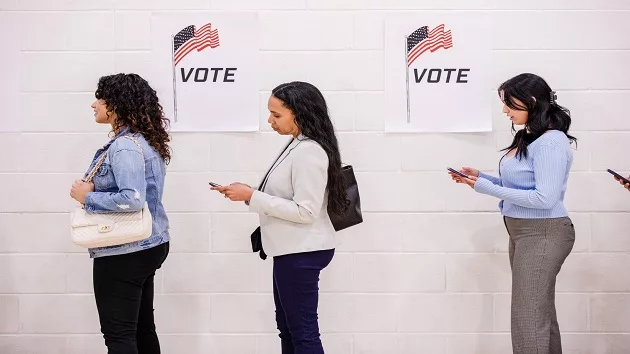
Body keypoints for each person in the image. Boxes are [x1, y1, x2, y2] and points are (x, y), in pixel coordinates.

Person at [211, 81, 347, 354]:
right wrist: (248, 192)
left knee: (303, 333)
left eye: (276, 115)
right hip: (292, 250)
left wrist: (252, 195)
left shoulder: (309, 152)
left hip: (302, 252)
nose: (270, 121)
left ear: (299, 113)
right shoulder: (298, 144)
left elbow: (306, 211)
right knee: (289, 329)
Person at [448, 73, 576, 354]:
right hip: (524, 231)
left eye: (509, 104)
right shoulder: (533, 137)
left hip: (543, 233)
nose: (504, 111)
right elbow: (522, 187)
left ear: (530, 102)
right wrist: (482, 178)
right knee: (538, 314)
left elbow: (544, 199)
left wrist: (486, 188)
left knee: (527, 318)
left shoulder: (551, 142)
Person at [69, 73, 171, 354]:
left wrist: (87, 196)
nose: (94, 105)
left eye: (100, 99)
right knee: (140, 328)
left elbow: (132, 198)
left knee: (118, 335)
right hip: (147, 244)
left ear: (116, 104)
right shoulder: (143, 141)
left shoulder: (125, 146)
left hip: (124, 251)